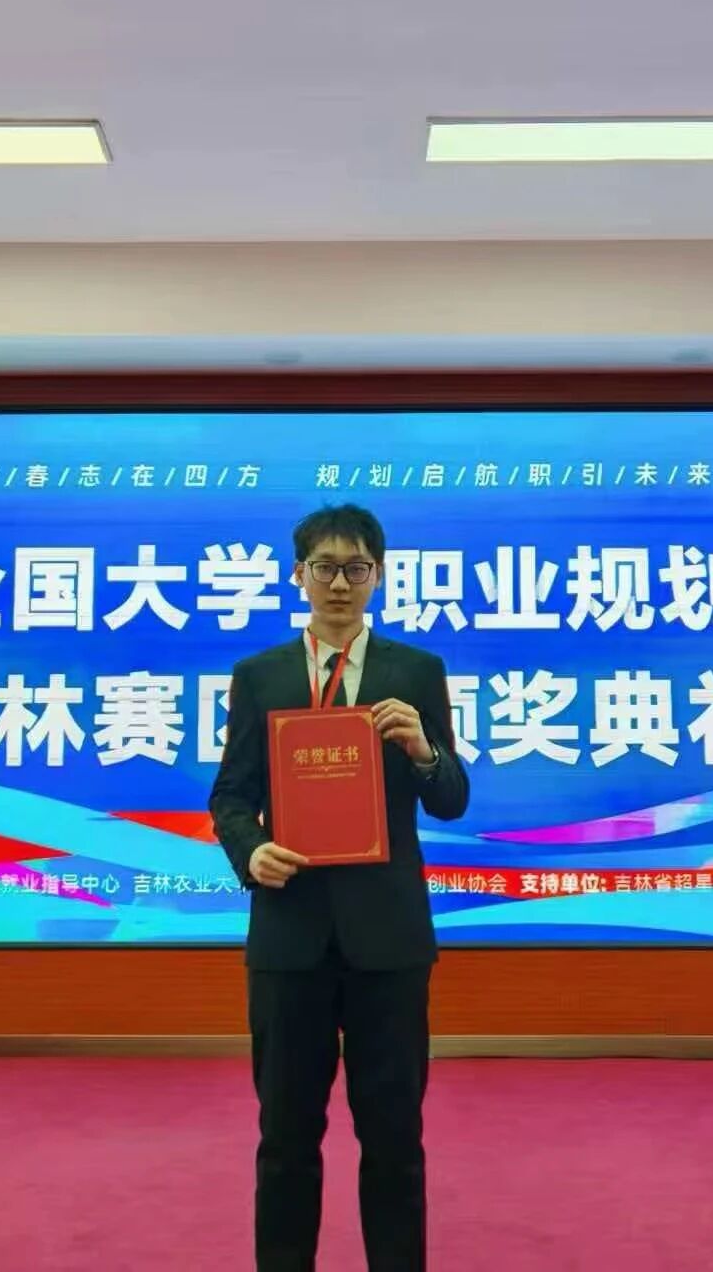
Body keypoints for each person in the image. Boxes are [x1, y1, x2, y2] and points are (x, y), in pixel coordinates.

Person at [209, 503, 471, 1271]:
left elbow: (452, 797)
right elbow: (230, 796)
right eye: (324, 567)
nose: (339, 583)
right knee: (286, 1136)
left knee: (394, 1137)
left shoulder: (414, 672)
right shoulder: (260, 676)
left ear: (377, 576)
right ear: (298, 575)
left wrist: (425, 752)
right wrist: (251, 849)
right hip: (290, 936)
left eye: (356, 568)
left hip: (388, 940)